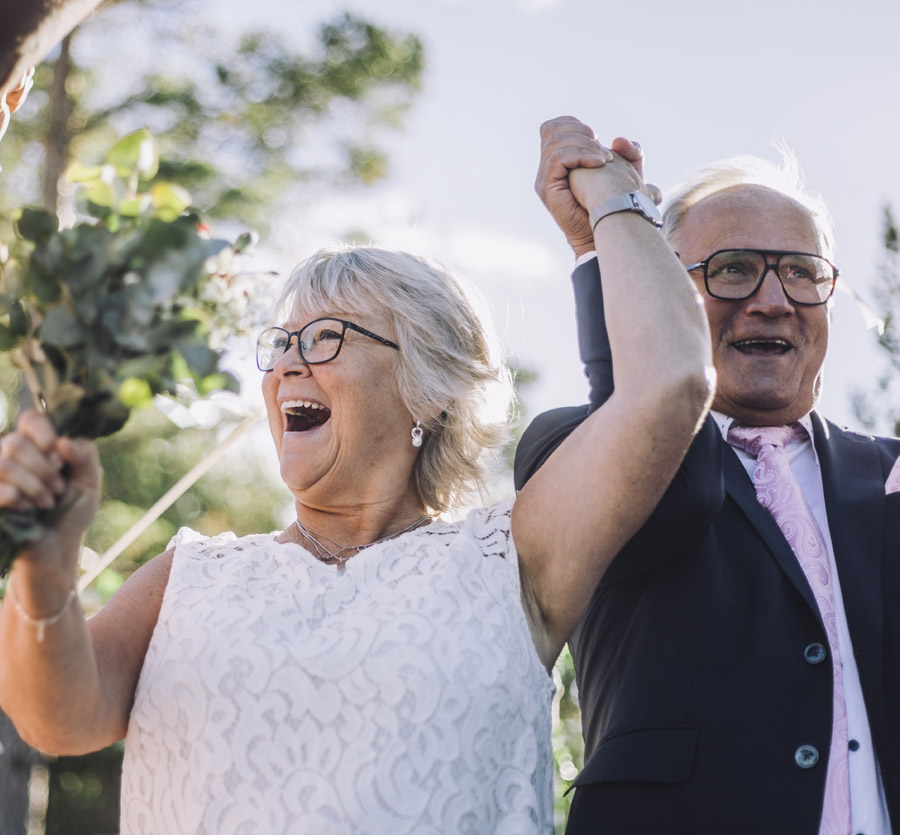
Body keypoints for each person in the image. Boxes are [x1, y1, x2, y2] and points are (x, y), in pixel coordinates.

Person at [0, 154, 712, 834]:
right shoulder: (188, 577)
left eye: (326, 337)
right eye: (280, 343)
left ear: (428, 390)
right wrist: (44, 560)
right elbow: (54, 719)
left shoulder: (514, 559)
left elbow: (670, 381)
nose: (286, 364)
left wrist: (609, 202)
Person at [516, 116, 900, 835]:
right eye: (731, 267)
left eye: (801, 272)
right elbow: (667, 484)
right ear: (660, 289)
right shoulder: (569, 447)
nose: (772, 299)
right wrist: (607, 240)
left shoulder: (888, 474)